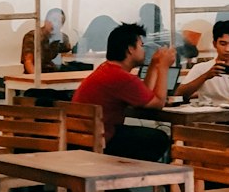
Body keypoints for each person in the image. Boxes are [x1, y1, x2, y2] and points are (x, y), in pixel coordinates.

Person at [73, 22, 171, 161]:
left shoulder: (108, 69)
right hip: (101, 141)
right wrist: (164, 68)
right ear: (130, 49)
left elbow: (145, 96)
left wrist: (155, 65)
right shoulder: (121, 77)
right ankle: (131, 178)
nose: (144, 50)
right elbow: (158, 103)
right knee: (159, 138)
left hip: (83, 138)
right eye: (141, 46)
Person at [20, 9, 72, 74]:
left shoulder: (63, 38)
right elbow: (28, 62)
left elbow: (68, 57)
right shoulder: (33, 36)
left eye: (59, 22)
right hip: (35, 76)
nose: (55, 24)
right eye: (53, 20)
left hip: (55, 75)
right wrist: (38, 81)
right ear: (46, 21)